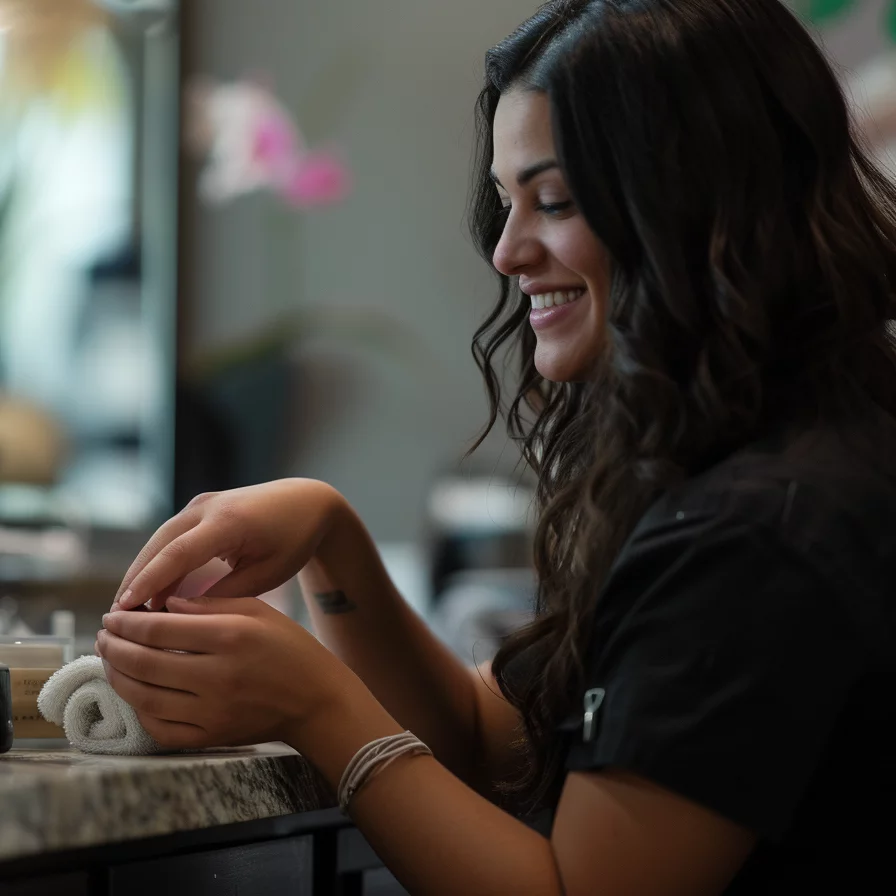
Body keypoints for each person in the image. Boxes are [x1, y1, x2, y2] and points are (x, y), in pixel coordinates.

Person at [95, 1, 896, 893]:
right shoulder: (755, 458)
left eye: (552, 202)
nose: (507, 252)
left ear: (699, 204)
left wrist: (316, 705)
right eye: (508, 201)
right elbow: (487, 738)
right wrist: (332, 539)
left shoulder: (759, 532)